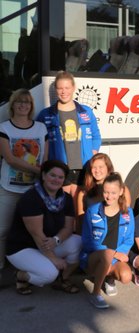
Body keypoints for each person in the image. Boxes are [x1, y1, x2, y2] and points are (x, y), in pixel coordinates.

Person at [6, 160, 81, 295]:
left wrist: (56, 240)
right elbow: (37, 234)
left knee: (79, 242)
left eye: (60, 177)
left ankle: (63, 278)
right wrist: (54, 259)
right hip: (23, 248)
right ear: (44, 175)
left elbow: (68, 228)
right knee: (49, 274)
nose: (56, 180)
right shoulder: (31, 198)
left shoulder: (66, 198)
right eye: (52, 175)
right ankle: (20, 275)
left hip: (46, 244)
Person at [0, 89, 49, 272]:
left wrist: (42, 174)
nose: (23, 105)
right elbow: (10, 159)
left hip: (33, 190)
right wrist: (39, 171)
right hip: (9, 188)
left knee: (35, 231)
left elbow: (45, 157)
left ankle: (33, 268)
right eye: (19, 102)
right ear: (12, 105)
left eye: (27, 102)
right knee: (2, 231)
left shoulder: (40, 128)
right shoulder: (4, 128)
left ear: (31, 106)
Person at [36, 71, 101, 196]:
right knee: (64, 206)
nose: (63, 92)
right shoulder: (46, 114)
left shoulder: (86, 111)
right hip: (59, 168)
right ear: (56, 89)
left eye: (67, 88)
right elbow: (38, 140)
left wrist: (92, 155)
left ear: (73, 88)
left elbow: (96, 136)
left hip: (83, 167)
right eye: (60, 88)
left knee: (80, 207)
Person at [81, 173, 134, 309]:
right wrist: (113, 253)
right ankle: (95, 294)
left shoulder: (128, 213)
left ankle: (108, 277)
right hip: (94, 257)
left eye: (113, 192)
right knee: (107, 254)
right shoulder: (92, 211)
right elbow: (87, 241)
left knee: (126, 276)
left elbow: (129, 240)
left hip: (114, 259)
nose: (109, 196)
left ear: (121, 191)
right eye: (106, 192)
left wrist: (116, 255)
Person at [76, 153, 132, 234]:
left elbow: (127, 215)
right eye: (94, 167)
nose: (97, 170)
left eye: (100, 167)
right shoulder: (83, 193)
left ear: (108, 168)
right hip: (92, 234)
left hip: (115, 233)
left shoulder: (123, 189)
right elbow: (80, 220)